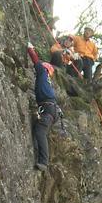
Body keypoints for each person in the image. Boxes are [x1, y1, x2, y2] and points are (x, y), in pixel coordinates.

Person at [27, 42, 61, 172]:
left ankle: (43, 162)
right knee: (40, 129)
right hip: (50, 109)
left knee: (40, 131)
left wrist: (30, 49)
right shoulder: (46, 79)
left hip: (48, 108)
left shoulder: (43, 73)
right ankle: (42, 159)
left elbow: (36, 62)